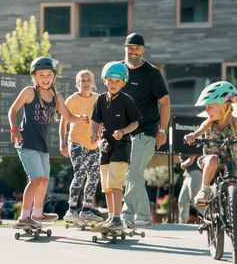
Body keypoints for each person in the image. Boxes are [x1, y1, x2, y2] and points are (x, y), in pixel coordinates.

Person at [184, 80, 237, 250]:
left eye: (210, 106)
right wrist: (192, 136)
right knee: (213, 159)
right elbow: (197, 132)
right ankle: (205, 189)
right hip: (209, 161)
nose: (206, 110)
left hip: (229, 164)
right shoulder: (208, 122)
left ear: (224, 106)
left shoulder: (236, 121)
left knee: (236, 193)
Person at [8, 56, 89, 228]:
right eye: (41, 75)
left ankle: (38, 213)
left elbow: (68, 116)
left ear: (54, 76)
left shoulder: (56, 96)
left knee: (44, 179)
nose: (45, 78)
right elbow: (12, 110)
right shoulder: (29, 92)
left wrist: (80, 118)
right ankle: (24, 217)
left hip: (42, 145)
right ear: (34, 77)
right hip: (26, 142)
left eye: (48, 75)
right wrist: (14, 128)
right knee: (36, 179)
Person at [121, 33, 170, 229]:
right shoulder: (118, 70)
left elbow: (165, 103)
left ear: (143, 50)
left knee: (133, 172)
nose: (133, 52)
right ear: (125, 48)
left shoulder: (151, 73)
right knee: (133, 174)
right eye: (130, 47)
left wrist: (163, 130)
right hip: (123, 133)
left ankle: (125, 215)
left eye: (138, 48)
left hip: (146, 131)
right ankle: (143, 217)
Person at [90, 61, 141, 231]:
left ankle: (117, 219)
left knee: (115, 182)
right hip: (104, 146)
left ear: (123, 82)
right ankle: (112, 217)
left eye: (117, 81)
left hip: (121, 146)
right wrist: (94, 134)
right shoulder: (100, 99)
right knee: (106, 185)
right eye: (110, 80)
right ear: (104, 80)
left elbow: (135, 123)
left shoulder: (127, 100)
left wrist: (123, 131)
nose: (113, 84)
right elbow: (96, 120)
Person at [59, 70, 103, 223]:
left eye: (88, 80)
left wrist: (101, 137)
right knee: (81, 173)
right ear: (77, 83)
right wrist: (63, 142)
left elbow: (103, 120)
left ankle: (86, 210)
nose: (85, 83)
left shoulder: (99, 99)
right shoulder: (72, 100)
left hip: (94, 144)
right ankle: (71, 210)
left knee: (94, 176)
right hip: (76, 142)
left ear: (92, 82)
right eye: (82, 80)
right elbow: (63, 122)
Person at [177, 155, 204, 224]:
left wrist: (182, 165)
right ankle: (182, 224)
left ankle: (212, 216)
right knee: (182, 200)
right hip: (187, 175)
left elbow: (191, 160)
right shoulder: (182, 145)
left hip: (195, 174)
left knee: (195, 200)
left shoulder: (192, 145)